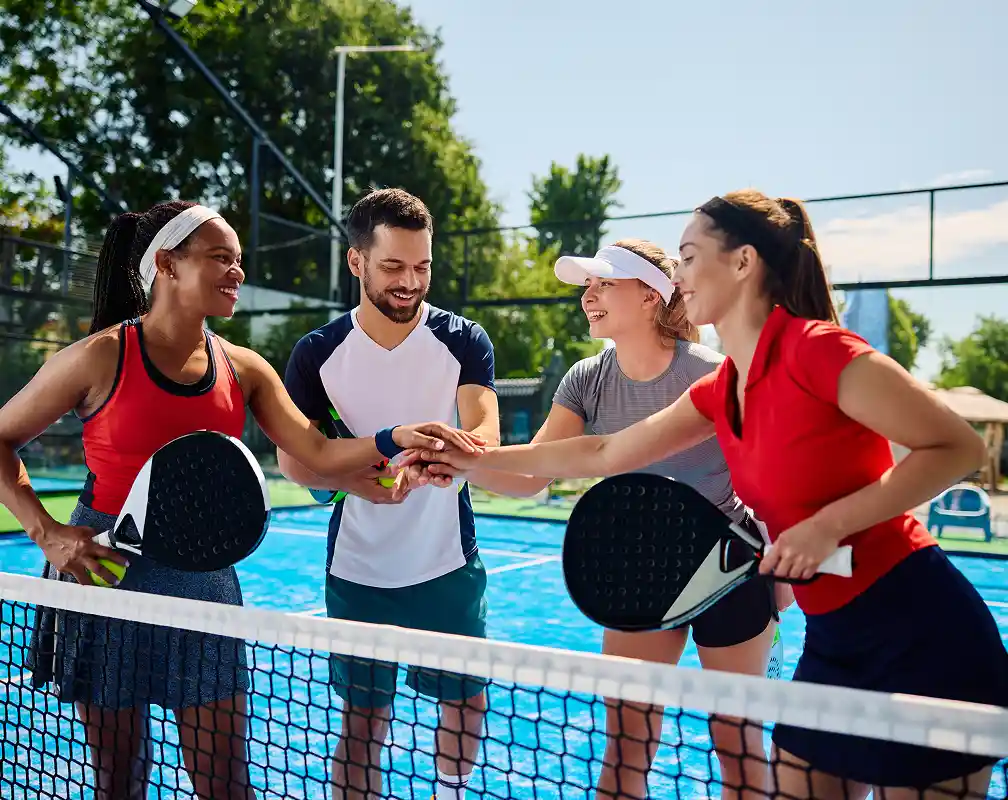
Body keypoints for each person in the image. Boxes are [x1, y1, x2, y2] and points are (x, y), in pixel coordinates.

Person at [409, 190, 1008, 799]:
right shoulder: (724, 388)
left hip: (919, 630)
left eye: (691, 257)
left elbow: (957, 448)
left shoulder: (819, 350)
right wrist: (465, 460)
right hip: (835, 641)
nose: (681, 274)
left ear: (743, 263)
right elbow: (602, 452)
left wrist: (829, 525)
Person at [0, 200, 482, 800]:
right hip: (105, 576)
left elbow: (318, 451)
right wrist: (49, 533)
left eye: (239, 259)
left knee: (226, 783)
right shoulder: (99, 356)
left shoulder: (245, 368)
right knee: (118, 781)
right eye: (220, 258)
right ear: (168, 265)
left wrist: (394, 437)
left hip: (207, 582)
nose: (237, 272)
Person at [408, 238, 784, 799]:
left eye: (604, 283)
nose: (588, 296)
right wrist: (459, 465)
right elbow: (531, 476)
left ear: (652, 296)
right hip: (638, 577)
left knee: (737, 747)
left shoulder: (716, 373)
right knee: (624, 754)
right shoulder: (586, 379)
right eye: (587, 285)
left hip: (728, 569)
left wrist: (781, 580)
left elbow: (771, 477)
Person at [277, 188, 501, 800]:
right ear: (357, 263)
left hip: (447, 564)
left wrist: (443, 457)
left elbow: (484, 431)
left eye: (422, 266)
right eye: (394, 267)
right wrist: (358, 480)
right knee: (362, 723)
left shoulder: (463, 340)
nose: (410, 282)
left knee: (467, 701)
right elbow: (295, 460)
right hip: (357, 569)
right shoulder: (316, 354)